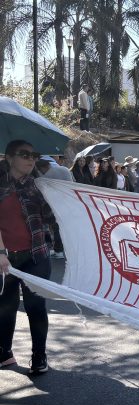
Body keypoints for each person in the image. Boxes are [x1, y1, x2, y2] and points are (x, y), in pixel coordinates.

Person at [0, 140, 55, 374]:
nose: (31, 159)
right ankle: (5, 354)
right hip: (5, 259)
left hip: (37, 255)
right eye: (24, 154)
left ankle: (39, 356)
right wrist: (1, 253)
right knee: (5, 308)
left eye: (34, 154)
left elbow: (55, 219)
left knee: (36, 307)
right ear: (9, 158)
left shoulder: (40, 186)